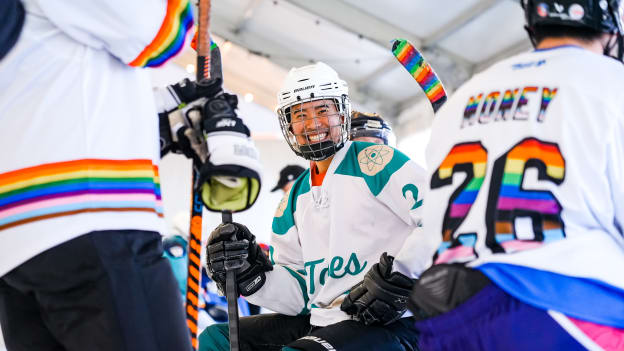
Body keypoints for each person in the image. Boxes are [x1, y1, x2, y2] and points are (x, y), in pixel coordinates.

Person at [0, 1, 260, 350]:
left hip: (17, 242)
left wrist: (170, 107)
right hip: (88, 224)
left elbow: (50, 88)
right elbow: (160, 30)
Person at [371, 1, 624, 350]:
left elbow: (435, 222)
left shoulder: (466, 96)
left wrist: (400, 268)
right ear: (611, 21)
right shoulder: (611, 83)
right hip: (563, 310)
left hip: (448, 313)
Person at [199, 62, 438, 351]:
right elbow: (299, 295)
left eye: (323, 110)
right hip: (324, 322)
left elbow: (441, 214)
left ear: (342, 112)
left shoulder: (378, 161)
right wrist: (252, 276)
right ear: (289, 124)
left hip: (394, 324)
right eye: (300, 114)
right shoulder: (292, 199)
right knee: (217, 339)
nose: (312, 124)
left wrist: (401, 274)